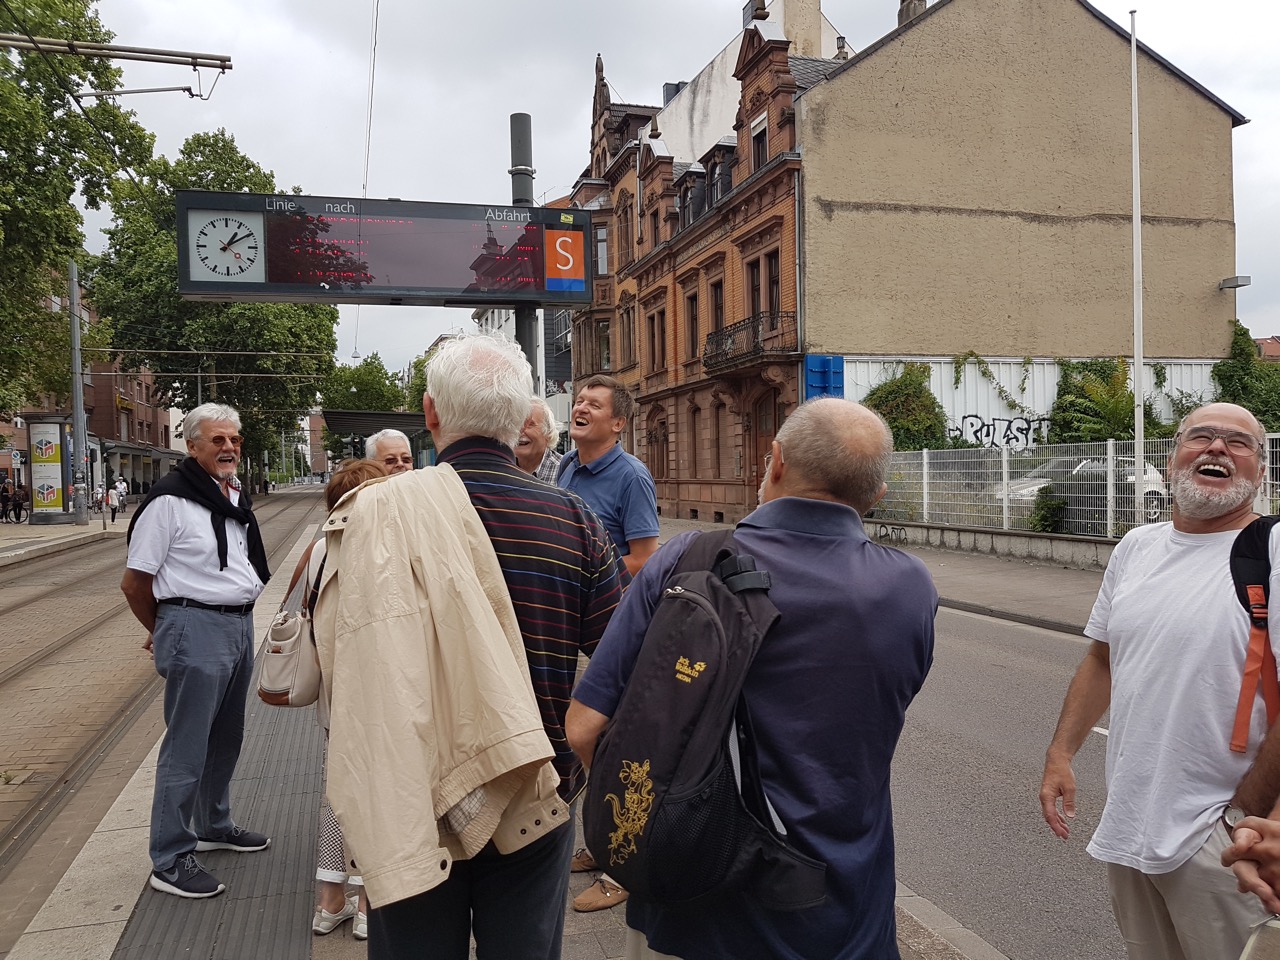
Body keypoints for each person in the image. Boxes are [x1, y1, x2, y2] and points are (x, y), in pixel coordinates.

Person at [566, 397, 936, 959]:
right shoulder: (910, 588)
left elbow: (586, 728)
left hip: (692, 905)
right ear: (875, 496)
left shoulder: (688, 562)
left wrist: (643, 817)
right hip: (842, 910)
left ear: (776, 461)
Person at [314, 334, 626, 960]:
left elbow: (335, 657)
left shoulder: (376, 513)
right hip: (534, 784)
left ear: (430, 414)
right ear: (520, 421)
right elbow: (616, 661)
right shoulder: (573, 519)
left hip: (414, 790)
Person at [1039, 402, 1278, 960]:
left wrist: (1243, 816)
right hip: (1130, 830)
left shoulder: (1271, 551)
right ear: (1174, 458)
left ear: (1260, 472)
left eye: (1238, 443)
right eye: (1202, 436)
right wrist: (1060, 753)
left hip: (1227, 840)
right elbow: (1103, 659)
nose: (1217, 448)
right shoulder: (1136, 548)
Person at [120, 403, 272, 900]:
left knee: (227, 737)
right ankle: (169, 857)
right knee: (186, 747)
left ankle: (213, 825)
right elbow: (134, 581)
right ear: (192, 446)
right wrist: (166, 627)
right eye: (216, 440)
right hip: (196, 623)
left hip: (237, 625)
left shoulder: (229, 493)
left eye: (234, 439)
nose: (228, 448)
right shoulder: (168, 501)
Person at [283, 458, 389, 941]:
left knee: (337, 794)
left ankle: (329, 902)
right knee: (380, 797)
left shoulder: (319, 550)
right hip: (380, 695)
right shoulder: (380, 550)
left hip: (333, 696)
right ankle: (368, 904)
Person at [556, 374, 660, 577]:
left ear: (618, 424)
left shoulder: (632, 477)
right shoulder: (567, 462)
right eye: (579, 401)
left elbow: (644, 559)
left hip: (605, 605)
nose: (581, 408)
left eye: (594, 405)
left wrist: (581, 578)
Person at [515, 396, 562, 482]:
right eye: (516, 424)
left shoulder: (565, 471)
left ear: (548, 432)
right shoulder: (500, 469)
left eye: (529, 425)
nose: (520, 431)